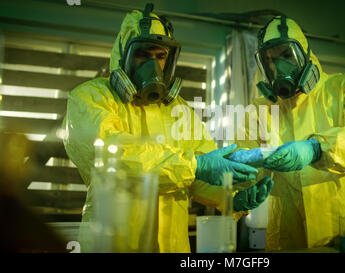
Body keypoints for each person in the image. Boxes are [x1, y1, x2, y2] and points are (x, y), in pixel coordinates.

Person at [63, 3, 273, 253]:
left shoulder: (180, 110)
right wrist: (195, 166)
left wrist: (231, 197)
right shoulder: (90, 98)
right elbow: (116, 157)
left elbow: (200, 170)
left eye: (160, 56)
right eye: (143, 54)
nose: (153, 65)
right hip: (113, 244)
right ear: (123, 55)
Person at [230, 15, 345, 250]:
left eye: (286, 55)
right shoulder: (259, 110)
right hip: (286, 234)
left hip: (344, 231)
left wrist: (318, 148)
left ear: (304, 52)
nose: (280, 67)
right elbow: (242, 163)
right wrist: (238, 195)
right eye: (271, 60)